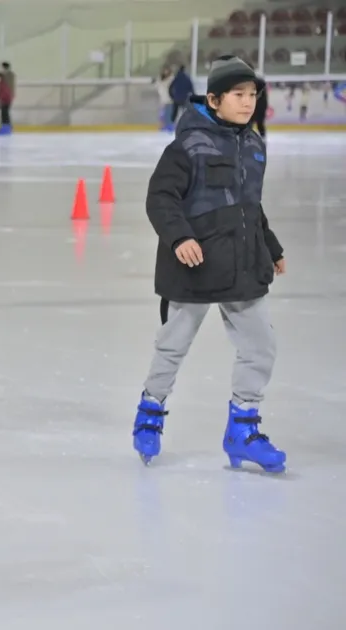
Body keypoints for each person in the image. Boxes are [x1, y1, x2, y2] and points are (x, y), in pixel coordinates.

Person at [133, 55, 286, 473]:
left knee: (260, 348)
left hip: (242, 265)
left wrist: (270, 246)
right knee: (173, 347)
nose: (247, 102)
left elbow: (250, 206)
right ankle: (150, 411)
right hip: (194, 266)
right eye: (238, 95)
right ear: (214, 99)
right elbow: (160, 197)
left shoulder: (253, 145)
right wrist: (180, 236)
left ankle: (243, 430)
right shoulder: (187, 145)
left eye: (252, 94)